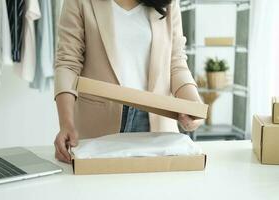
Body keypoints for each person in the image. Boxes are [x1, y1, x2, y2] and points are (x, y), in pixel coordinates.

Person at [54, 0, 203, 163]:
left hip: (157, 124)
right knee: (98, 187)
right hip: (98, 124)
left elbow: (176, 63)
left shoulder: (169, 3)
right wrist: (66, 123)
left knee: (155, 188)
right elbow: (68, 62)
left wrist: (193, 105)